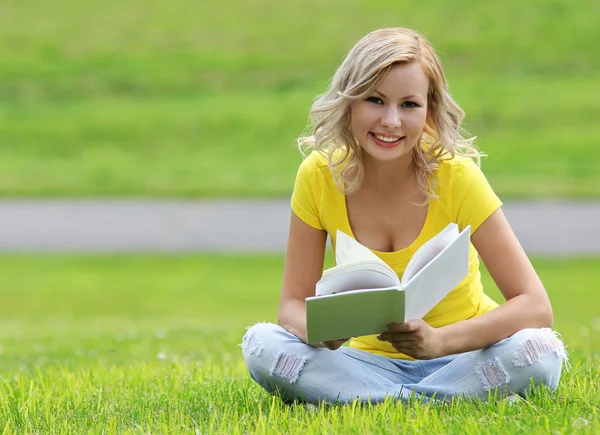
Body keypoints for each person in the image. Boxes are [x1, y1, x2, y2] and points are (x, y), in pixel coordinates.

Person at [241, 28, 567, 405]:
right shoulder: (318, 175)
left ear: (429, 111)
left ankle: (364, 401)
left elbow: (535, 305)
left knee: (539, 349)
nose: (391, 121)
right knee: (261, 344)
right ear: (349, 102)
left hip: (462, 358)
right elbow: (291, 307)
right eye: (375, 100)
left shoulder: (457, 177)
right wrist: (321, 331)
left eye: (409, 104)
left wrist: (440, 341)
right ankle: (441, 402)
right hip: (362, 362)